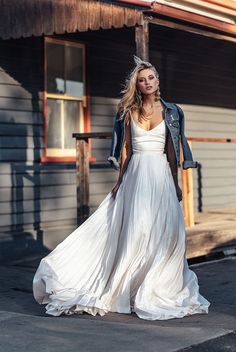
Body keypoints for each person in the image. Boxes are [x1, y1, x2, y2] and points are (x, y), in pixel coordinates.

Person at [33, 55, 210, 320]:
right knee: (136, 231)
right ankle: (129, 287)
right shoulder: (128, 112)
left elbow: (172, 152)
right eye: (142, 80)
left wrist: (175, 183)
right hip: (135, 176)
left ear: (158, 80)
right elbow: (125, 150)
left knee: (165, 232)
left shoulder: (173, 111)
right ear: (136, 85)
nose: (147, 82)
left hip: (160, 174)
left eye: (151, 78)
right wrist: (119, 183)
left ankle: (158, 285)